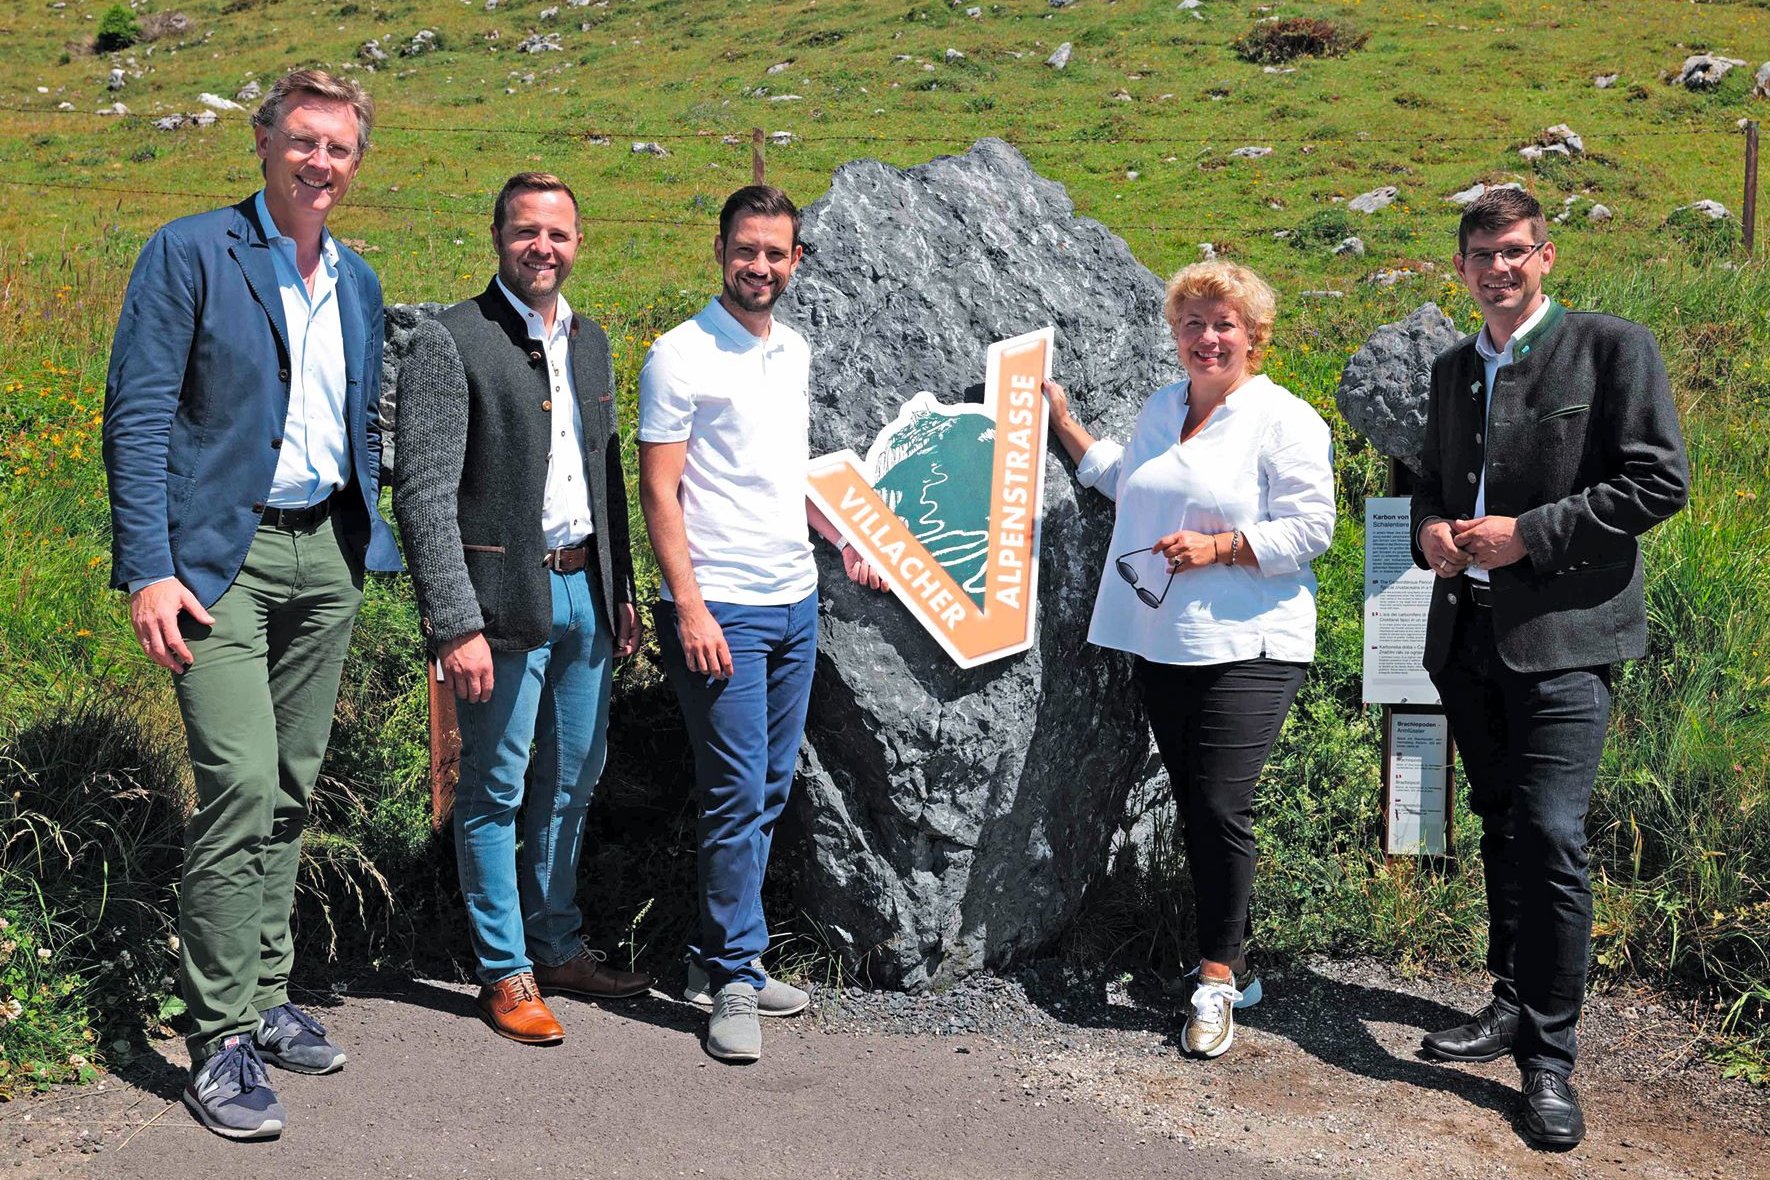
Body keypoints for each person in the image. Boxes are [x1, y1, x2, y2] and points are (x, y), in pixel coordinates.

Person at [102, 68, 395, 1139]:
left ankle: (267, 993)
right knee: (238, 784)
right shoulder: (190, 253)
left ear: (357, 164)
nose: (322, 162)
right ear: (266, 143)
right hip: (216, 563)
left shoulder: (356, 281)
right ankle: (217, 1035)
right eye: (304, 141)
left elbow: (360, 418)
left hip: (326, 554)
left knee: (292, 787)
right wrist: (148, 566)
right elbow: (135, 416)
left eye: (341, 148)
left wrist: (367, 535)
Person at [1411, 188, 1688, 1149]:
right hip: (1469, 638)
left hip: (1569, 638)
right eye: (1482, 255)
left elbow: (1660, 480)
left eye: (1515, 252)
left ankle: (1549, 1059)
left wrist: (1529, 535)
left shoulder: (1614, 348)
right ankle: (1507, 1000)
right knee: (1500, 824)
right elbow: (1426, 491)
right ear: (1461, 267)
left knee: (1553, 835)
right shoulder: (1452, 370)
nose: (1499, 268)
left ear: (1547, 255)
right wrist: (1434, 535)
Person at [1043, 260, 1335, 1061]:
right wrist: (1063, 424)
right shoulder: (1163, 408)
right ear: (1176, 335)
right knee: (1197, 804)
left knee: (1216, 806)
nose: (1209, 337)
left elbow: (1313, 530)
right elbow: (1127, 483)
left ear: (1253, 334)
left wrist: (1223, 545)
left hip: (1251, 644)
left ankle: (1215, 978)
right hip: (1163, 640)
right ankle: (1232, 962)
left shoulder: (1285, 419)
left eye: (1224, 324)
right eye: (1194, 324)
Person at [391, 173, 651, 1045]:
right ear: (498, 235)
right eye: (527, 231)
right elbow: (424, 494)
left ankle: (559, 943)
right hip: (500, 599)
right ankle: (505, 971)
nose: (544, 247)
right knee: (496, 787)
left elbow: (605, 473)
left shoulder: (593, 341)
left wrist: (621, 589)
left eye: (560, 234)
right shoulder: (450, 341)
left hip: (586, 587)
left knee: (574, 778)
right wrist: (452, 621)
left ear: (579, 243)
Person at [637, 184, 884, 1063]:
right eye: (747, 250)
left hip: (793, 598)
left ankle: (715, 958)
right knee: (737, 792)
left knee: (770, 789)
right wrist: (691, 604)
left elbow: (780, 474)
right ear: (721, 251)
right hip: (722, 610)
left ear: (796, 261)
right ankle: (735, 977)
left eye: (776, 253)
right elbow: (659, 489)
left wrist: (841, 538)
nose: (760, 267)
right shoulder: (679, 355)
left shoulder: (795, 351)